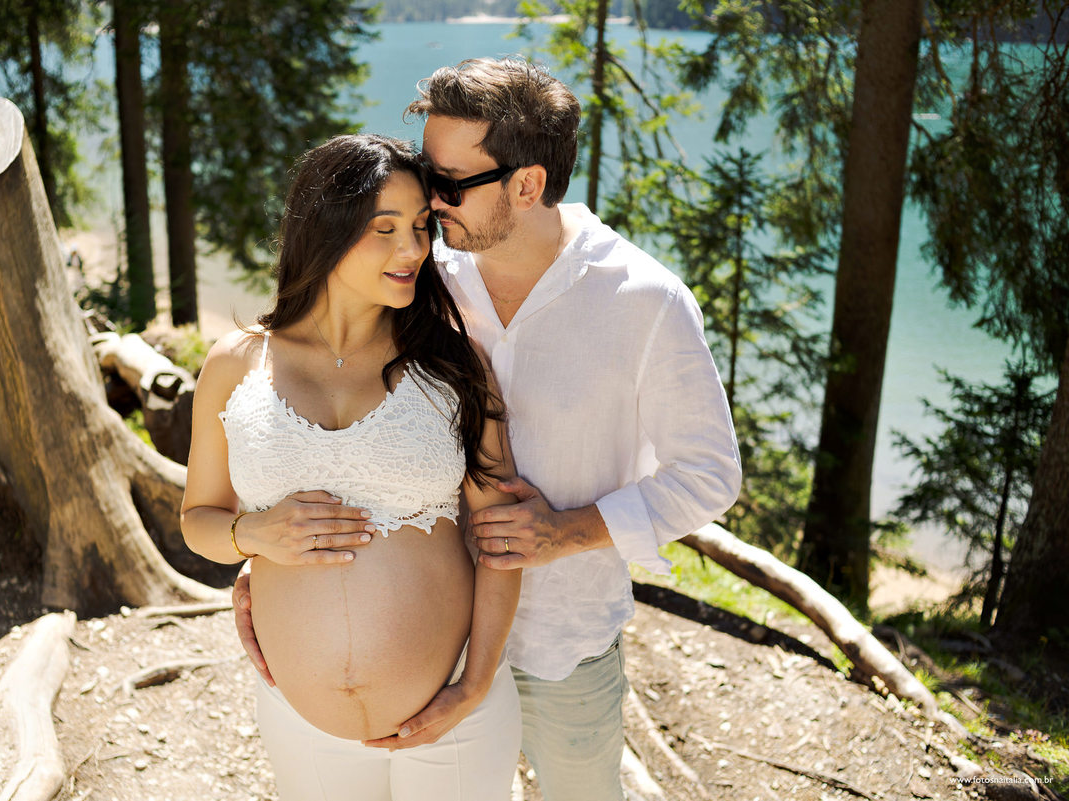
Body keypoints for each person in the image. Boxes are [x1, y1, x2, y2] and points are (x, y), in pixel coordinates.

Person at [235, 58, 742, 800]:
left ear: (527, 185)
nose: (431, 202)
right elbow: (323, 403)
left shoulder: (645, 301)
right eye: (426, 178)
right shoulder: (417, 274)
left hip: (562, 637)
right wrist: (268, 561)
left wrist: (565, 532)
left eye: (448, 184)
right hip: (428, 641)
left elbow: (708, 474)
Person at [181, 134, 524, 801]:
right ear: (325, 230)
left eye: (421, 227)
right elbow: (198, 520)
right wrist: (253, 535)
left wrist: (475, 682)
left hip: (454, 715)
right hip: (302, 725)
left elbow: (501, 536)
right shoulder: (234, 363)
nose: (413, 249)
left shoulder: (453, 365)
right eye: (385, 229)